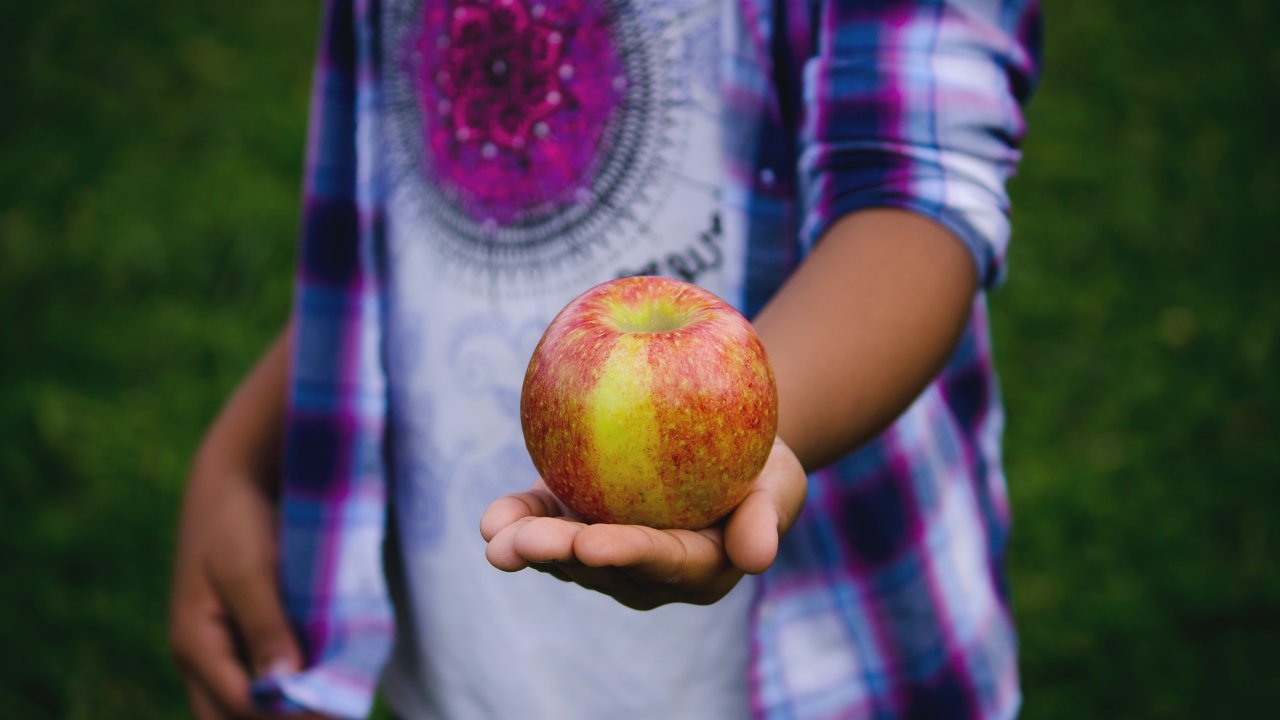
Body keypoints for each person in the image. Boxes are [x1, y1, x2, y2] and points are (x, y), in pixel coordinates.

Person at [169, 0, 1042, 717]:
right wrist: (241, 451)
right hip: (472, 637)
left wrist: (757, 440)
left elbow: (914, 189)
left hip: (809, 653)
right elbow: (409, 220)